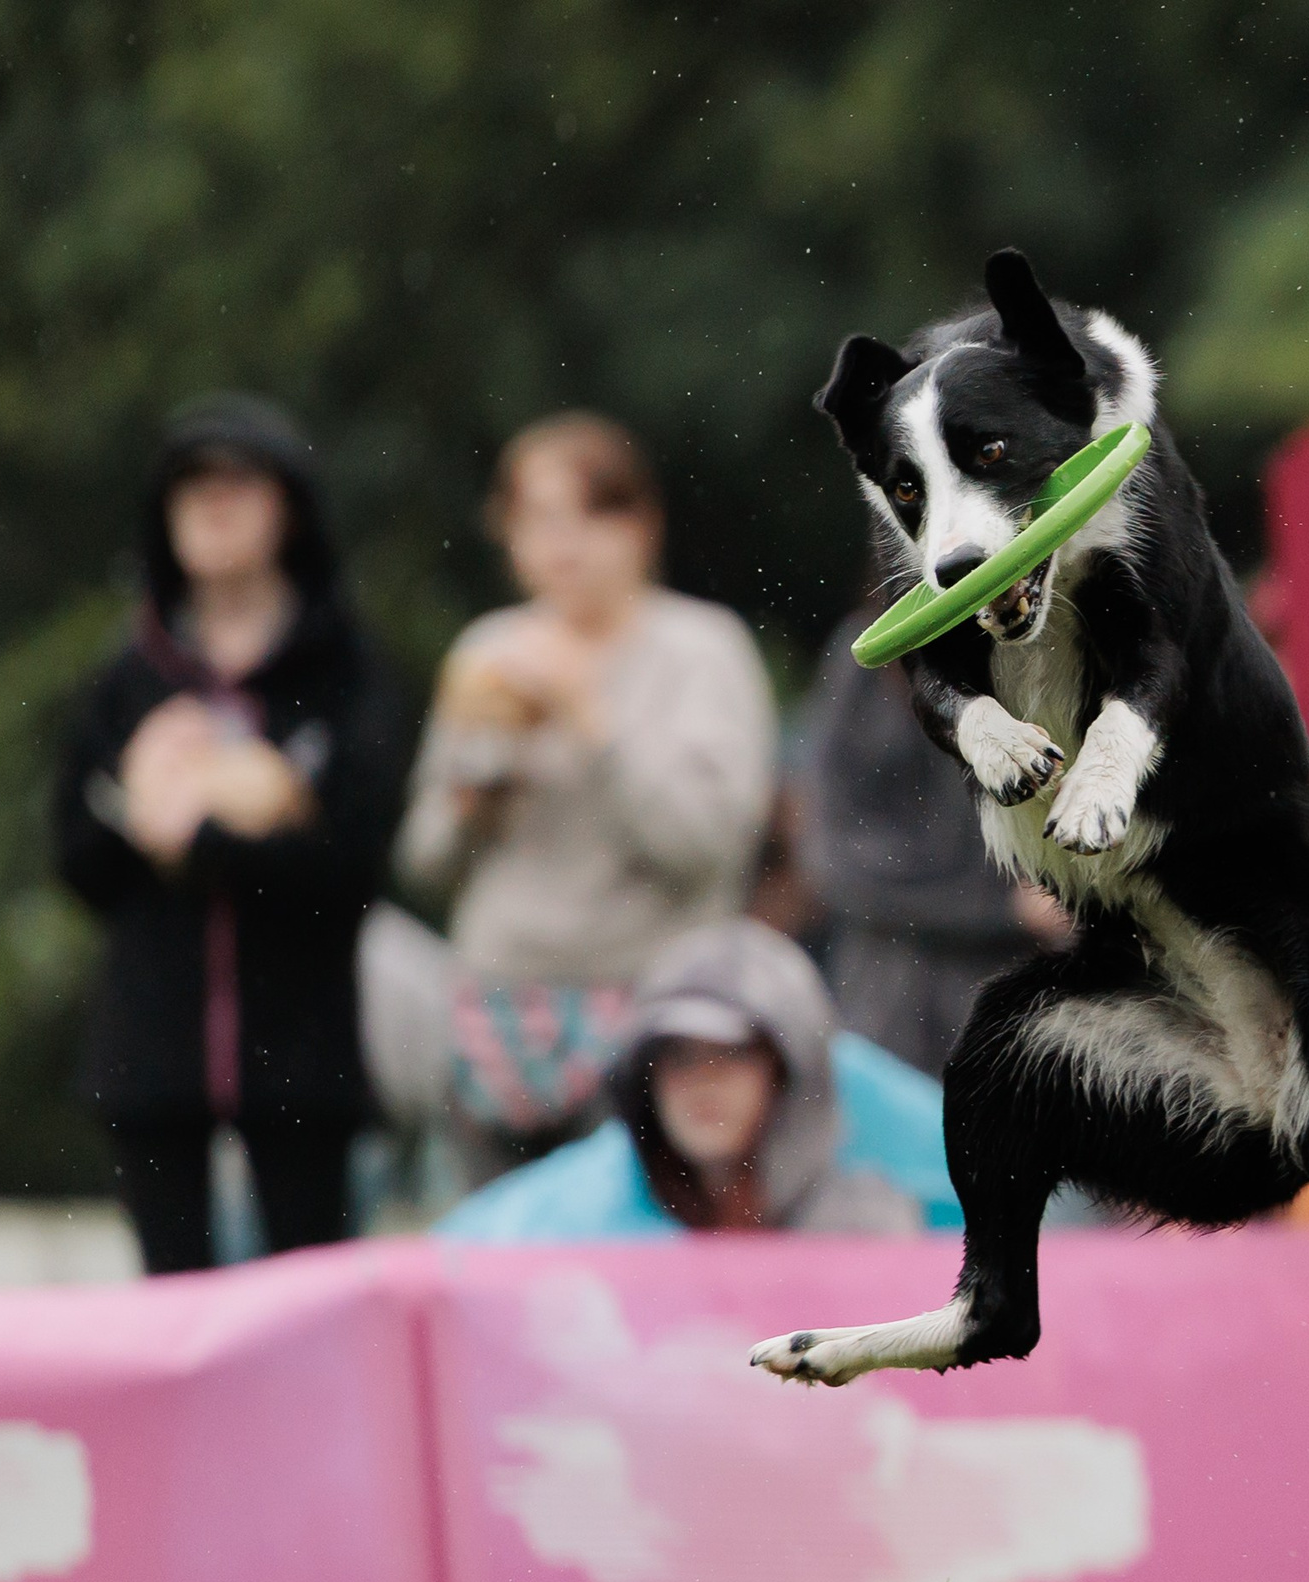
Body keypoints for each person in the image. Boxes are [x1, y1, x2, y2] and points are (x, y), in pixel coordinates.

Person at [55, 394, 406, 1273]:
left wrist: (205, 839)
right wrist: (143, 811)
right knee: (172, 1305)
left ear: (287, 509)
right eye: (192, 492)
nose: (214, 509)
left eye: (238, 488)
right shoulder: (129, 677)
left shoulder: (346, 672)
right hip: (155, 1053)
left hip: (300, 1055)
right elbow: (76, 859)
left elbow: (357, 860)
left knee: (306, 1301)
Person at [396, 413, 777, 1178]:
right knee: (493, 1263)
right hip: (495, 1010)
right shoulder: (487, 652)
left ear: (642, 526)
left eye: (590, 515)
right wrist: (474, 790)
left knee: (636, 1260)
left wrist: (591, 724)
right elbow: (423, 862)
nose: (562, 543)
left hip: (652, 1008)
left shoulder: (704, 652)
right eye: (536, 518)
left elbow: (708, 849)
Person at [434, 919, 936, 1240]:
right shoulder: (598, 1229)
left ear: (788, 1074)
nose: (704, 1083)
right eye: (677, 1058)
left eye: (733, 1055)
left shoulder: (872, 1231)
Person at [796, 603, 1068, 1076]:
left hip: (1031, 1002)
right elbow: (833, 856)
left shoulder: (1047, 646)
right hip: (892, 998)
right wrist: (1001, 903)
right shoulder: (865, 656)